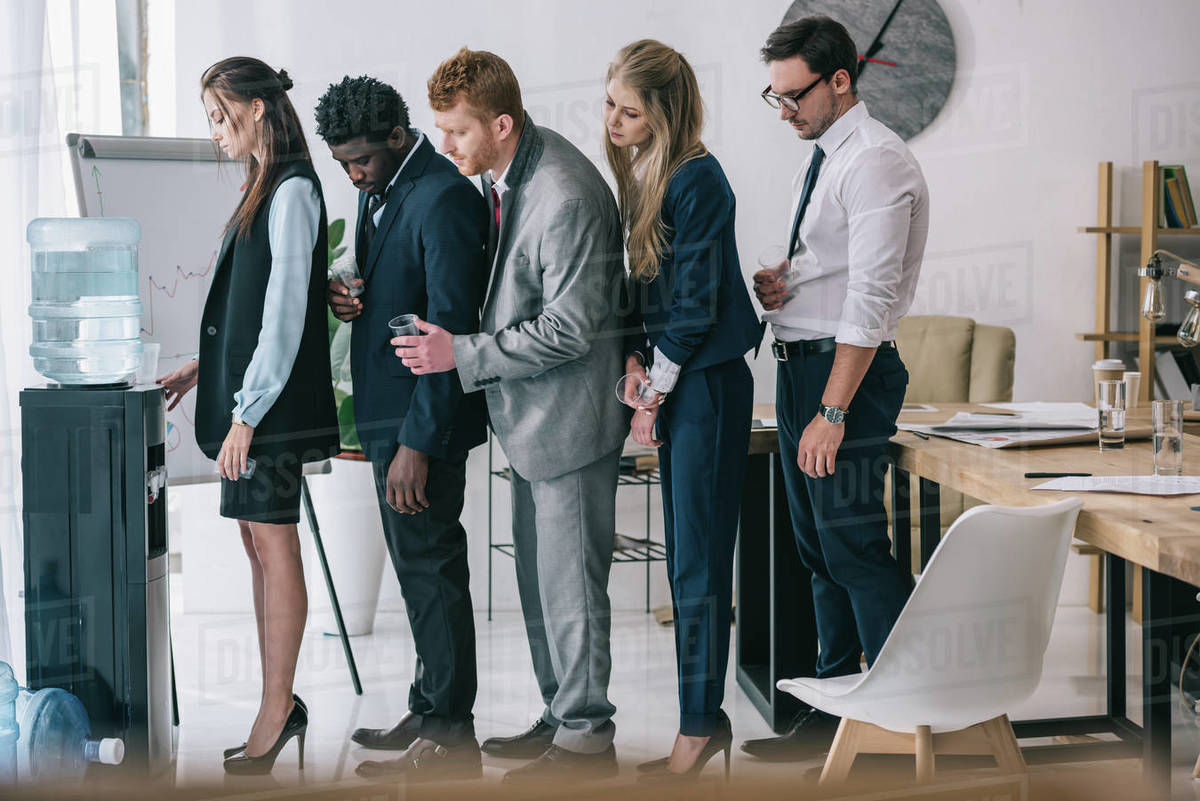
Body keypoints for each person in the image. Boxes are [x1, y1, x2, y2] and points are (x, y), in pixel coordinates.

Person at [395, 47, 628, 784]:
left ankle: (588, 739)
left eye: (455, 132)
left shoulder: (562, 192)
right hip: (534, 423)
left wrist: (457, 355)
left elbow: (570, 329)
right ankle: (563, 716)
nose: (443, 147)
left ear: (500, 123)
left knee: (570, 589)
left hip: (570, 424)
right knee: (539, 584)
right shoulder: (510, 172)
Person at [739, 16, 931, 762]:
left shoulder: (878, 162)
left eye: (794, 95)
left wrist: (831, 410)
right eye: (775, 95)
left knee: (853, 548)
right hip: (800, 365)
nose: (783, 110)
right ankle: (835, 716)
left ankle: (900, 717)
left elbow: (871, 302)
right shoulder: (823, 154)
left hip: (842, 377)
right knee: (817, 551)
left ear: (841, 80)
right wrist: (786, 280)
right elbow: (837, 270)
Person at [157, 56, 338, 774]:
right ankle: (276, 702)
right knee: (257, 547)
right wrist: (204, 369)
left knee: (276, 544)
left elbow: (288, 313)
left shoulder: (292, 190)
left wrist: (247, 413)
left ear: (259, 107)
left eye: (219, 113)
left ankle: (277, 709)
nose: (214, 130)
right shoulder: (262, 185)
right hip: (252, 408)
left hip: (272, 417)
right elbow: (250, 307)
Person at [313, 75, 490, 781]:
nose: (353, 173)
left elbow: (455, 324)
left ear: (398, 135)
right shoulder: (379, 187)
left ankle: (453, 733)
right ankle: (430, 706)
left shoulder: (443, 196)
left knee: (434, 569)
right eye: (343, 163)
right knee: (418, 573)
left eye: (362, 159)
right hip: (389, 417)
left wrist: (418, 441)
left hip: (425, 425)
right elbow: (395, 283)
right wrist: (349, 294)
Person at [602, 40, 761, 782]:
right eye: (608, 104)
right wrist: (634, 360)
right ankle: (701, 719)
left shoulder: (701, 181)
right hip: (678, 378)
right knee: (687, 558)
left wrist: (654, 392)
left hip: (709, 382)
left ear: (665, 114)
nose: (612, 121)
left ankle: (700, 726)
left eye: (628, 110)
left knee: (698, 560)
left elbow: (695, 307)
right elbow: (643, 297)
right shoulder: (646, 177)